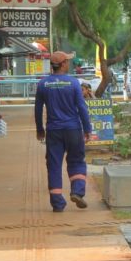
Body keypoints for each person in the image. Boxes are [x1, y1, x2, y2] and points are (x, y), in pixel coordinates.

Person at [35, 51, 92, 212]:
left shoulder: (43, 84)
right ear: (63, 64)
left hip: (54, 131)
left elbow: (38, 109)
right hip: (73, 129)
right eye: (67, 61)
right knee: (77, 161)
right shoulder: (73, 83)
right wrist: (87, 129)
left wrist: (40, 129)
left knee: (54, 165)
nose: (69, 63)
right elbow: (82, 107)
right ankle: (77, 191)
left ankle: (58, 203)